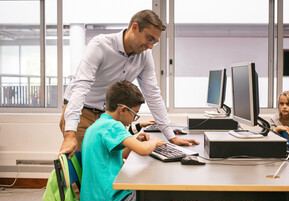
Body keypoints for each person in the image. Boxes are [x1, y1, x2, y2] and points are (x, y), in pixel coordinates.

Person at [59, 9, 199, 158]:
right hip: (83, 112)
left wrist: (172, 137)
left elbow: (153, 94)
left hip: (109, 116)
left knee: (110, 164)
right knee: (85, 168)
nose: (150, 46)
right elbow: (80, 88)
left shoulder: (144, 56)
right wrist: (69, 133)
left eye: (154, 42)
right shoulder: (100, 45)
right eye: (149, 38)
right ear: (134, 27)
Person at [80, 81, 177, 201]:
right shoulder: (113, 127)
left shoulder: (98, 124)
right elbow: (144, 150)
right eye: (135, 113)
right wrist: (153, 142)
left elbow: (121, 153)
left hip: (97, 200)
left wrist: (134, 140)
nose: (134, 119)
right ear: (123, 109)